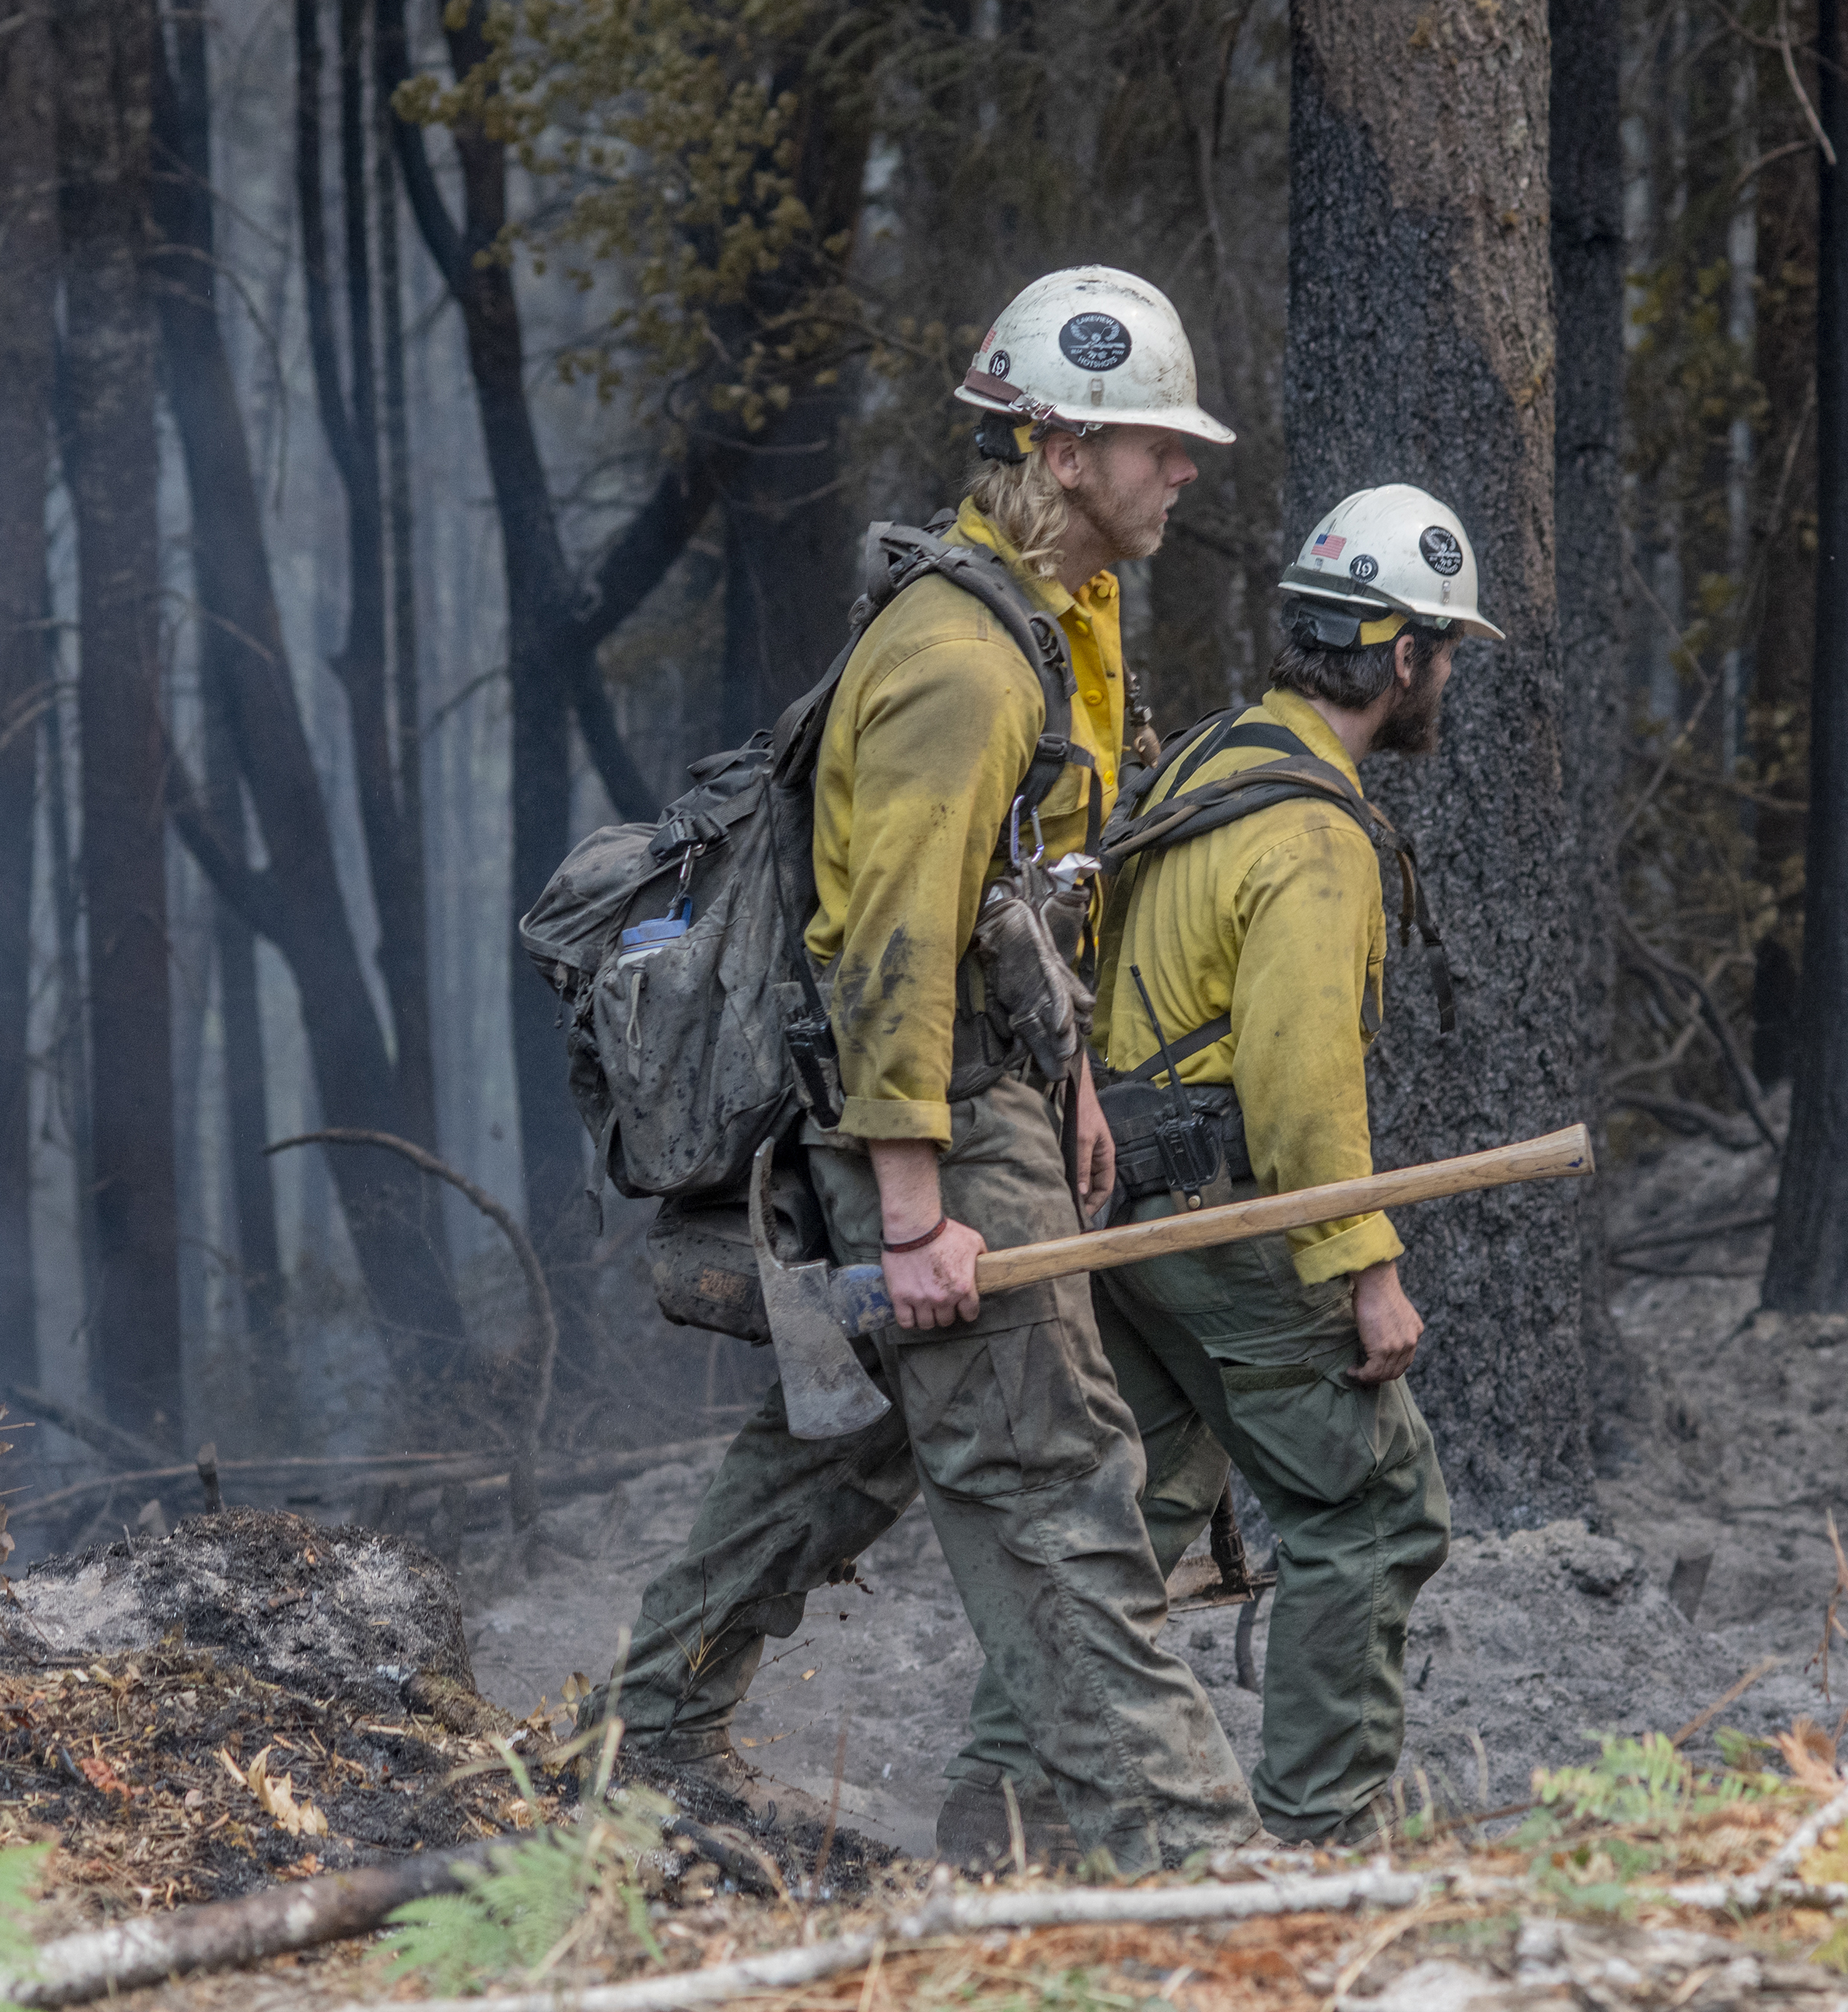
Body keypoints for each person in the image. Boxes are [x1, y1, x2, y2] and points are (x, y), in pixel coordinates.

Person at [611, 265, 1260, 1876]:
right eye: (1150, 440)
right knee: (1053, 1478)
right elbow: (888, 944)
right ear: (1055, 448)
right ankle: (1187, 1857)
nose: (1182, 467)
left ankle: (644, 1741)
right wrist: (913, 1213)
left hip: (983, 1114)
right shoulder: (961, 663)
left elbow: (1020, 905)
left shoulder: (1051, 630)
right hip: (934, 1136)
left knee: (853, 1444)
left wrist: (1077, 1085)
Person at [939, 484, 1493, 1852]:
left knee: (1126, 1517)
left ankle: (1004, 1818)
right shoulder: (1315, 832)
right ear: (1403, 654)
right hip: (1223, 1218)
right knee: (1373, 1506)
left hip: (1122, 1210)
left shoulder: (1202, 761)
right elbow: (1302, 1085)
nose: (1446, 677)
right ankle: (1322, 1834)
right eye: (1445, 650)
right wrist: (1364, 1272)